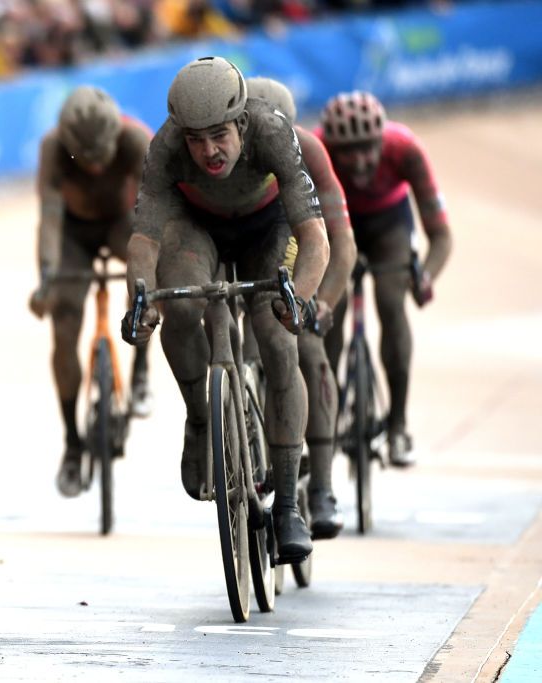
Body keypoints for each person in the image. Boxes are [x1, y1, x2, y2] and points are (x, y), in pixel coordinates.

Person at [122, 57, 329, 561]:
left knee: (279, 339)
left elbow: (315, 240)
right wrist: (141, 296)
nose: (208, 151)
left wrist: (297, 298)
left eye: (218, 136)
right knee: (182, 305)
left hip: (268, 230)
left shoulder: (272, 131)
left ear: (241, 123)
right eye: (196, 139)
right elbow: (145, 241)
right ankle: (200, 418)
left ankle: (286, 505)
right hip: (199, 230)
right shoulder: (166, 147)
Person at [29, 85, 153, 497]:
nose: (97, 168)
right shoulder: (53, 148)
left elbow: (155, 215)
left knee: (146, 277)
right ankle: (72, 442)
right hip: (73, 235)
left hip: (123, 223)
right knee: (64, 322)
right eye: (88, 159)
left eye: (102, 157)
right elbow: (49, 217)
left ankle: (141, 369)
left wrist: (151, 273)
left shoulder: (136, 141)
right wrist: (48, 277)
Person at [316, 91, 453, 467]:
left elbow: (441, 236)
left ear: (382, 139)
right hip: (337, 224)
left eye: (367, 148)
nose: (360, 160)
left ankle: (397, 425)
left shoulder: (405, 149)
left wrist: (425, 276)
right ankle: (326, 414)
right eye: (348, 151)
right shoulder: (317, 149)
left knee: (392, 303)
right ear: (332, 145)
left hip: (389, 223)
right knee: (329, 312)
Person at [247, 77, 356, 539]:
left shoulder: (309, 152)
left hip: (301, 250)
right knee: (249, 343)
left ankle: (323, 489)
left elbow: (341, 244)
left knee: (308, 349)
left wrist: (321, 305)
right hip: (250, 246)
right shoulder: (230, 149)